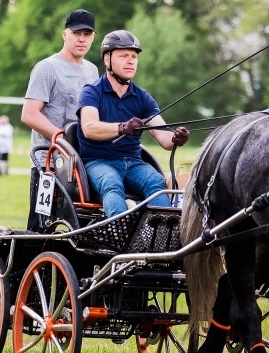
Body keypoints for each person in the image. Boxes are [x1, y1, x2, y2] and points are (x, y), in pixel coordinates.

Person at [76, 30, 189, 217]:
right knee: (112, 183)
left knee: (156, 182)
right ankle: (118, 235)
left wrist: (177, 138)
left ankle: (158, 237)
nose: (131, 61)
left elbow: (164, 137)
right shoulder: (92, 92)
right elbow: (89, 128)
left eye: (134, 56)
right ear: (107, 59)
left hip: (133, 163)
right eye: (123, 56)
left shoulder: (142, 97)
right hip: (98, 162)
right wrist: (122, 127)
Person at [21, 8, 99, 230]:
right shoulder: (48, 68)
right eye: (77, 33)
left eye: (87, 34)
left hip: (80, 165)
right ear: (65, 34)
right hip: (48, 164)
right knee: (41, 229)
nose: (82, 39)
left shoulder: (92, 71)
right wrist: (60, 136)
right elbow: (29, 114)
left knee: (83, 229)